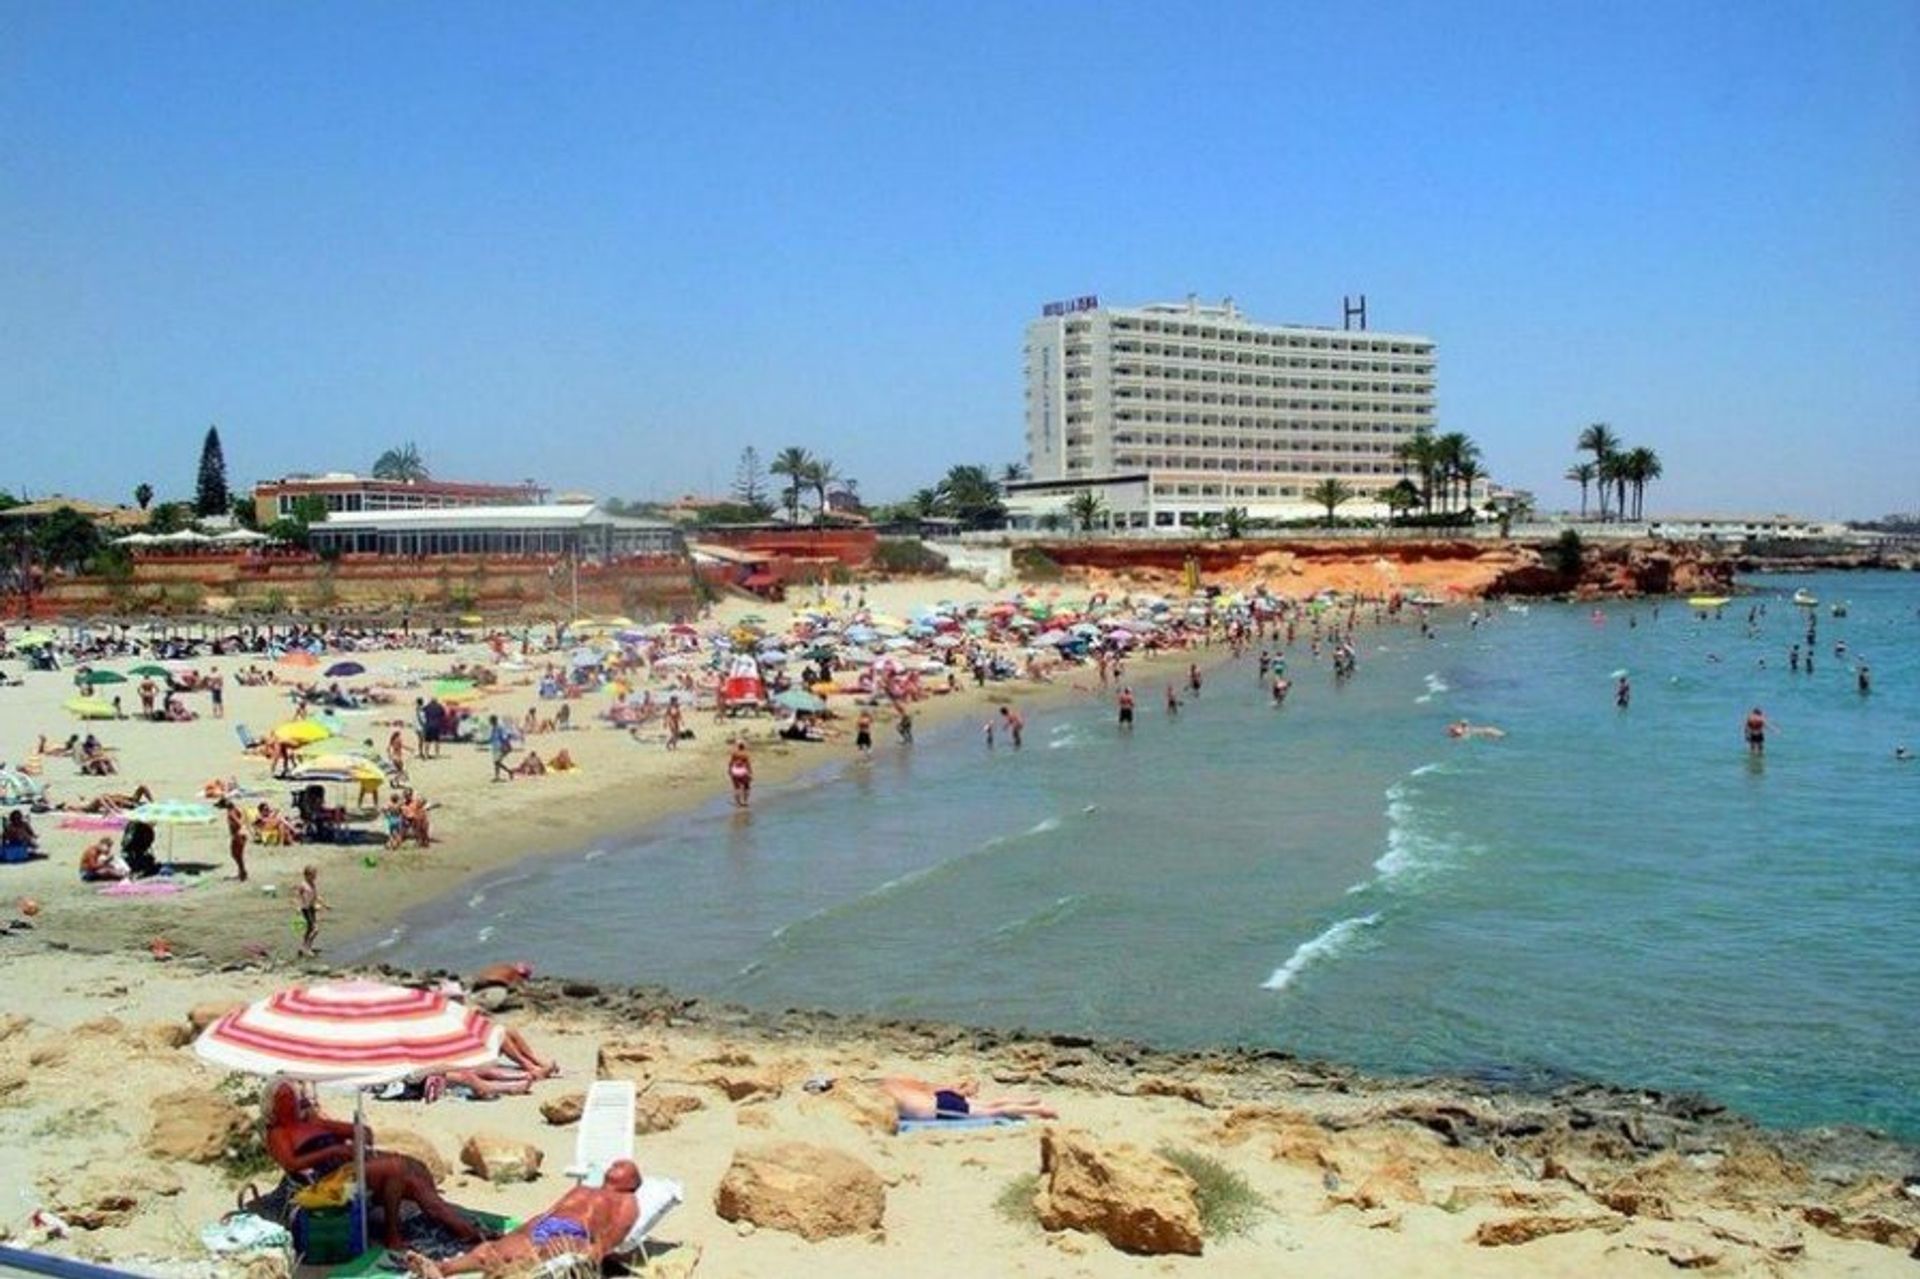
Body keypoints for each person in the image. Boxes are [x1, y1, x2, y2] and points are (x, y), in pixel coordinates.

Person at [263, 1081, 482, 1251]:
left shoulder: (309, 1121)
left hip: (344, 1169)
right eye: (283, 1098)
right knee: (395, 1168)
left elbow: (357, 1131)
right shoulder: (278, 1133)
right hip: (321, 1183)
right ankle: (399, 1232)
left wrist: (358, 1131)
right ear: (272, 1104)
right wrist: (333, 1150)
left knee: (413, 1168)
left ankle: (446, 1218)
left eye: (291, 1096)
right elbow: (291, 1164)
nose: (290, 1102)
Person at [399, 1159, 652, 1279]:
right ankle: (444, 1269)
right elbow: (553, 1209)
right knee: (491, 1250)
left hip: (571, 1234)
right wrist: (526, 1227)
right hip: (543, 1223)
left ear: (632, 1181)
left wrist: (592, 1256)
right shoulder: (585, 1188)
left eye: (625, 1165)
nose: (616, 1164)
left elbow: (612, 1237)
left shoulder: (627, 1201)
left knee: (517, 1256)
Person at [880, 1075, 1057, 1122]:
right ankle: (1027, 1101)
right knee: (990, 1103)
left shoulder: (884, 1095)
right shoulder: (894, 1082)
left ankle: (1037, 1110)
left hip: (940, 1108)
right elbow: (925, 1086)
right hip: (940, 1096)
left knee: (994, 1112)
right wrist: (953, 1089)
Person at [296, 864, 327, 956]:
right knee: (315, 929)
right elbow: (298, 896)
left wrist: (324, 904)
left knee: (309, 929)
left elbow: (315, 895)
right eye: (313, 875)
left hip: (312, 908)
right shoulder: (303, 885)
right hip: (306, 909)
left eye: (315, 875)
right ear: (307, 875)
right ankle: (307, 948)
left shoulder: (312, 884)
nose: (315, 877)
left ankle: (303, 947)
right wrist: (298, 906)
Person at [224, 800, 249, 882]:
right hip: (242, 834)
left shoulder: (231, 813)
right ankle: (241, 872)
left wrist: (237, 827)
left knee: (235, 855)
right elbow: (242, 817)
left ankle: (242, 872)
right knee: (238, 855)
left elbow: (239, 823)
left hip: (238, 835)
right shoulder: (237, 809)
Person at [488, 716, 513, 783]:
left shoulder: (499, 728)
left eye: (490, 721)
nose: (490, 722)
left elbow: (504, 738)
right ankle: (497, 776)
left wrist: (507, 746)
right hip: (495, 748)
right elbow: (492, 738)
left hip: (500, 747)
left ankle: (509, 772)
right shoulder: (493, 728)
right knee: (496, 763)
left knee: (497, 762)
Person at [727, 741, 752, 808]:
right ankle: (745, 802)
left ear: (738, 746)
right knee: (746, 787)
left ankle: (738, 803)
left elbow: (731, 763)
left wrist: (729, 770)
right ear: (744, 746)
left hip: (735, 771)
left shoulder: (734, 753)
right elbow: (748, 764)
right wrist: (750, 773)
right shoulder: (745, 754)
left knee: (736, 788)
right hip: (743, 771)